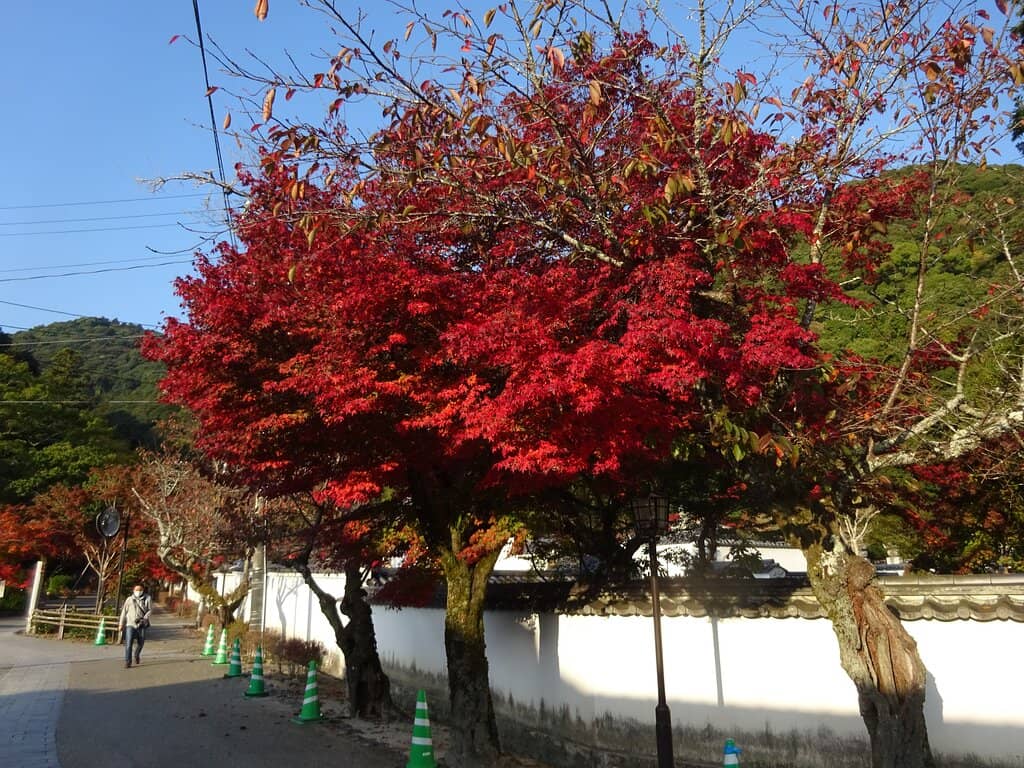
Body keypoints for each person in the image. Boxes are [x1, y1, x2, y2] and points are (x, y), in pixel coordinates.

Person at [119, 584, 152, 668]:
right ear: (133, 590)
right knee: (128, 643)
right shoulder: (129, 599)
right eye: (136, 590)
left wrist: (145, 618)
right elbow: (124, 612)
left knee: (141, 642)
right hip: (130, 624)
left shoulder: (147, 598)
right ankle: (128, 661)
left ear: (143, 590)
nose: (138, 591)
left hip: (141, 624)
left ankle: (137, 654)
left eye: (140, 590)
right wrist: (121, 623)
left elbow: (150, 610)